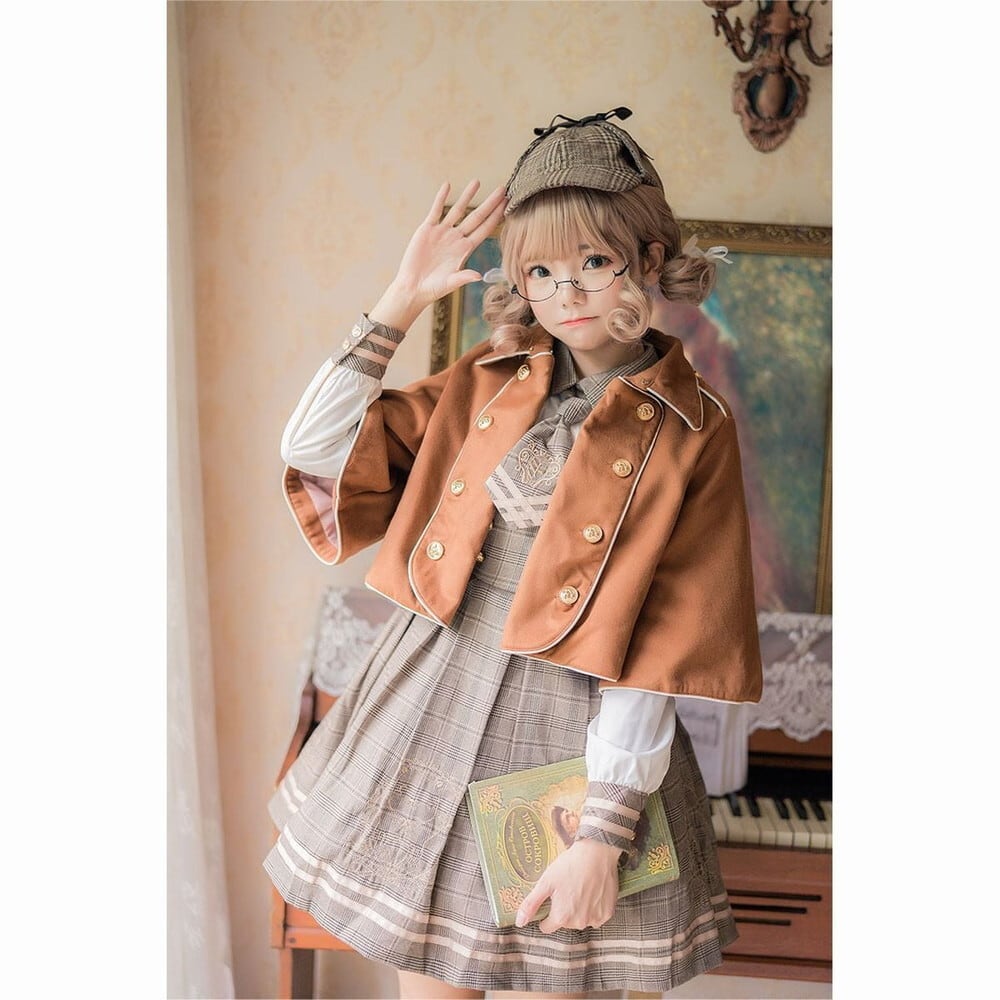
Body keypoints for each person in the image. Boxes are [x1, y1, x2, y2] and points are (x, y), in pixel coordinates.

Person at [265, 107, 763, 999]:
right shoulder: (489, 378)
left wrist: (602, 836)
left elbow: (663, 642)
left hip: (578, 733)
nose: (567, 292)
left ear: (648, 258)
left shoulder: (694, 428)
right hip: (435, 693)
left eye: (594, 261)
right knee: (429, 982)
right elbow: (314, 449)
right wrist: (402, 297)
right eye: (540, 270)